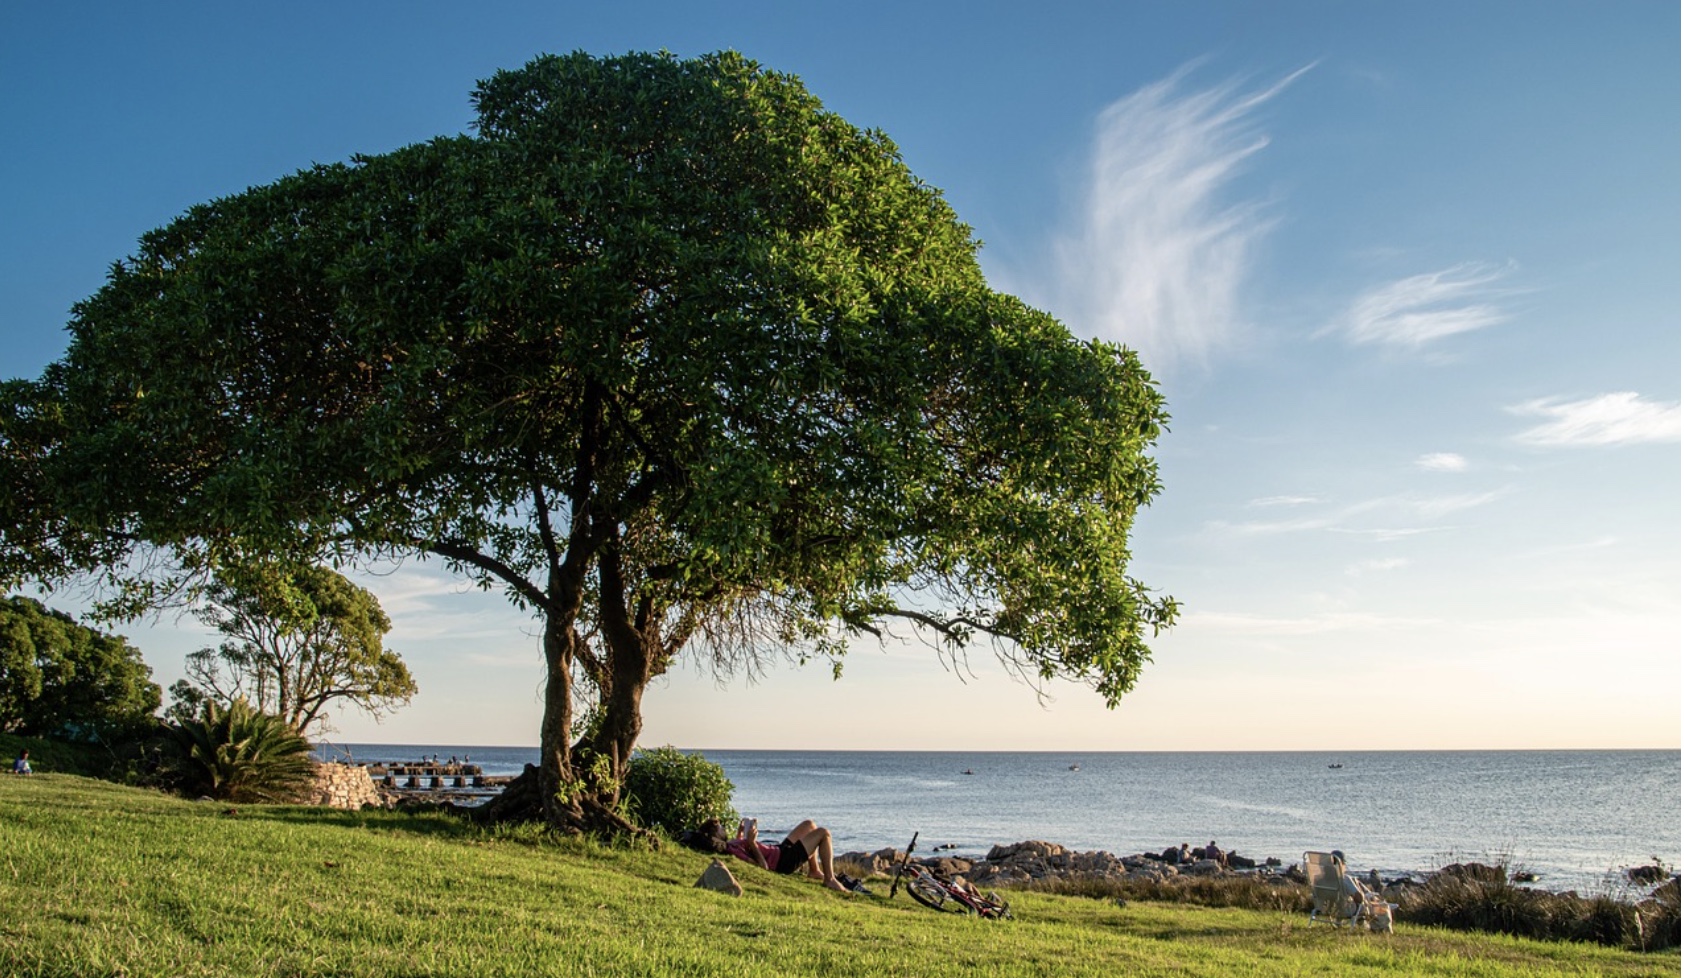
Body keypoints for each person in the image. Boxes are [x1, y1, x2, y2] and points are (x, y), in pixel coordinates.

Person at [709, 817, 850, 892]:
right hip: (782, 862)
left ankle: (814, 871)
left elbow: (740, 845)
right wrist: (752, 843)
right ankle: (829, 879)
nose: (723, 828)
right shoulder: (731, 850)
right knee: (823, 833)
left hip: (779, 850)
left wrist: (741, 833)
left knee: (809, 825)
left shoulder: (731, 844)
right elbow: (763, 867)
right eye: (720, 828)